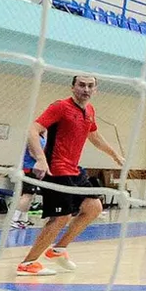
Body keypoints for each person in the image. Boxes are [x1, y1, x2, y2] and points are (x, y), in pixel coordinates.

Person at [16, 75, 124, 276]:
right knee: (61, 217)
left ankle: (58, 250)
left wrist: (114, 154)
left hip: (74, 170)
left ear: (95, 89)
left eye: (90, 86)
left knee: (94, 207)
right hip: (56, 170)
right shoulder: (60, 107)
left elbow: (94, 136)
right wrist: (40, 159)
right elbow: (33, 130)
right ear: (73, 87)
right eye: (81, 85)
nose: (86, 89)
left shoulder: (90, 111)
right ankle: (28, 263)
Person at [11, 132, 45, 229]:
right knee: (27, 195)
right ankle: (14, 219)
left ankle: (23, 219)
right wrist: (42, 160)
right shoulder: (33, 137)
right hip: (29, 168)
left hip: (35, 169)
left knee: (30, 196)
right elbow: (32, 152)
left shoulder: (42, 138)